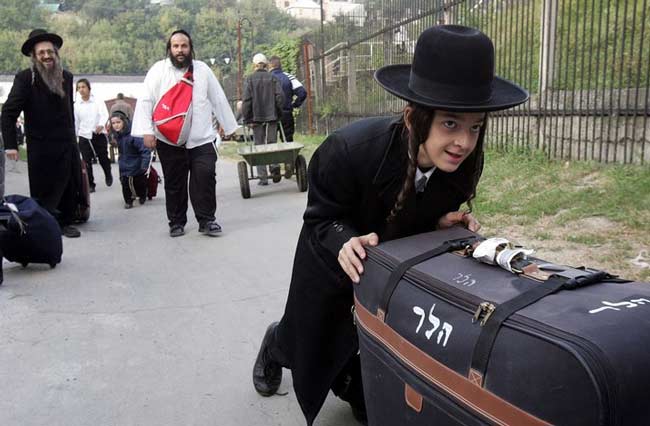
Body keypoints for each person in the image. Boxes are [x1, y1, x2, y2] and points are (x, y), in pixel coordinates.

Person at [251, 25, 529, 425]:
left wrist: (440, 222)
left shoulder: (464, 161)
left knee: (371, 379)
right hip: (335, 256)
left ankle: (350, 380)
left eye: (475, 126)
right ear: (415, 116)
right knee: (310, 337)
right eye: (450, 124)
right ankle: (274, 344)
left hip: (391, 266)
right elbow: (320, 217)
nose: (464, 143)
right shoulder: (349, 149)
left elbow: (415, 210)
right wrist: (344, 240)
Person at [132, 29, 237, 238]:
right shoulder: (158, 71)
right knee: (174, 182)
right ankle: (176, 222)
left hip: (202, 138)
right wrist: (146, 131)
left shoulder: (202, 70)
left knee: (206, 177)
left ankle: (207, 220)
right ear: (169, 49)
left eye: (184, 46)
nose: (180, 50)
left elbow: (218, 97)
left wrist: (229, 126)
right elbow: (145, 101)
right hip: (168, 140)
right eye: (176, 46)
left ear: (191, 48)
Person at [0, 29, 85, 238]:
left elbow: (69, 111)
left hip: (66, 142)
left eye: (50, 52)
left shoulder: (66, 76)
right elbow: (8, 112)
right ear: (34, 56)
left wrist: (74, 141)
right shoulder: (25, 79)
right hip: (41, 145)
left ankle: (65, 222)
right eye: (42, 53)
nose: (47, 56)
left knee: (68, 184)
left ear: (56, 54)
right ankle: (46, 224)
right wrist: (11, 144)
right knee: (44, 188)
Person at [242, 53, 284, 186]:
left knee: (259, 145)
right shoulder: (272, 78)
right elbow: (280, 97)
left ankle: (263, 177)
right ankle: (274, 166)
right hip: (271, 116)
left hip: (256, 117)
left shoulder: (249, 79)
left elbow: (247, 101)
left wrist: (247, 118)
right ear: (266, 65)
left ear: (254, 65)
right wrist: (278, 112)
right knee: (272, 142)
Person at [74, 78, 113, 193]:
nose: (81, 90)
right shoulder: (76, 105)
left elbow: (104, 114)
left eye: (83, 87)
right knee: (86, 161)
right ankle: (90, 183)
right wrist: (75, 135)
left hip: (98, 133)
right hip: (84, 135)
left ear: (89, 88)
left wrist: (101, 125)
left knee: (103, 157)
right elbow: (76, 121)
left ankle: (108, 173)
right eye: (79, 88)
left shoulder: (97, 101)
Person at [108, 111, 150, 209]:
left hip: (136, 163)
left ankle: (142, 195)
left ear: (124, 122)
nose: (116, 125)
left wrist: (144, 164)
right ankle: (128, 200)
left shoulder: (133, 135)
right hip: (123, 163)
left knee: (139, 182)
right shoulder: (116, 135)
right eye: (113, 123)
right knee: (125, 183)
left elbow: (144, 149)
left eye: (118, 122)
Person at [269, 55, 307, 143]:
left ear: (270, 65)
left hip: (270, 115)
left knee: (270, 143)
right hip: (286, 113)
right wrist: (294, 105)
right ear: (280, 65)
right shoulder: (289, 77)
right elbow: (302, 93)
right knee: (288, 141)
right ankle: (289, 156)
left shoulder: (267, 78)